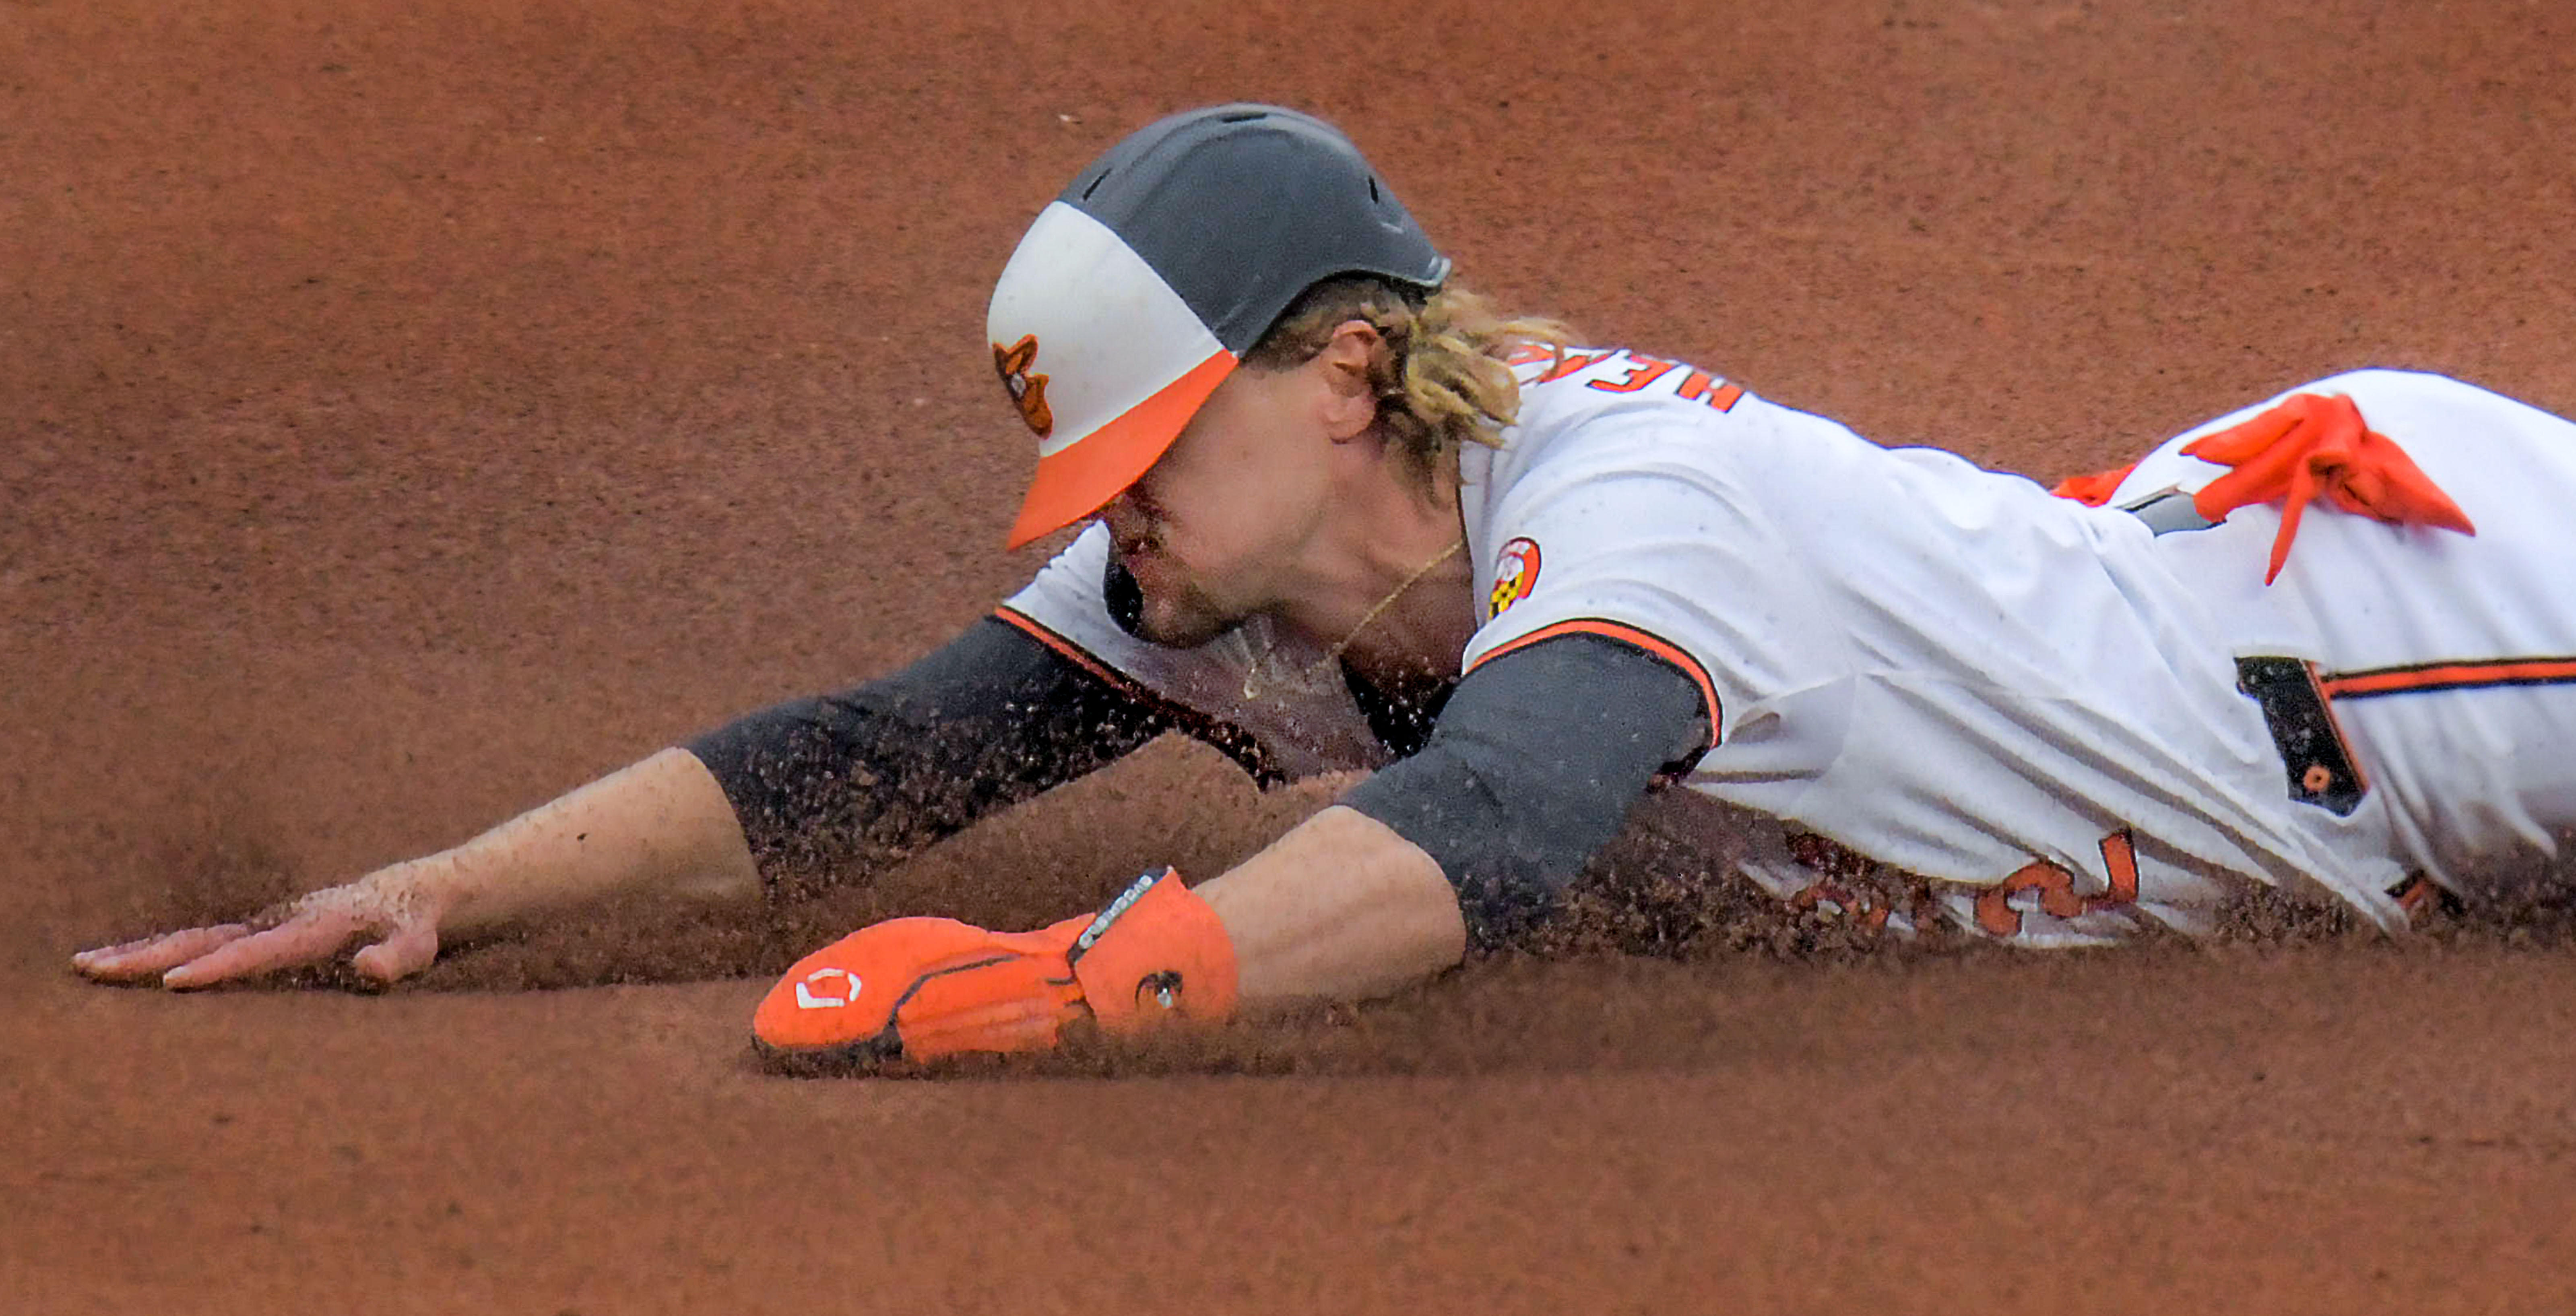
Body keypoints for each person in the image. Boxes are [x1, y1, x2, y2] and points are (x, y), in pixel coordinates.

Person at [74, 104, 2576, 1071]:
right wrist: (446, 890)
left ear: (1355, 376)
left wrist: (1084, 985)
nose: (1113, 517)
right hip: (2188, 605)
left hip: (2403, 654)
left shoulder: (1629, 525)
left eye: (1160, 449)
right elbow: (871, 757)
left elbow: (1493, 828)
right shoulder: (1231, 592)